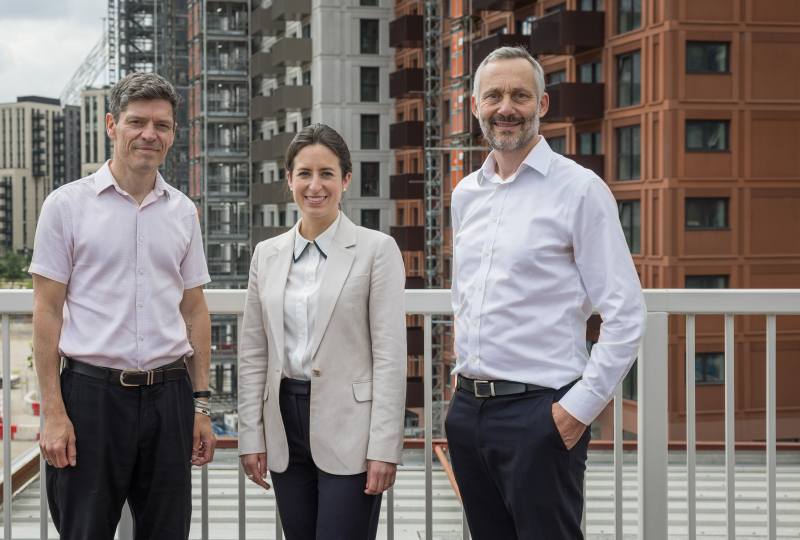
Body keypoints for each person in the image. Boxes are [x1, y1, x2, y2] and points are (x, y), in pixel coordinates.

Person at [445, 46, 647, 540]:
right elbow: (466, 299)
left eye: (520, 94)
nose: (506, 107)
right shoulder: (465, 193)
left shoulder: (580, 190)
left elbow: (626, 313)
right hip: (469, 413)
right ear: (475, 106)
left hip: (541, 414)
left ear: (543, 104)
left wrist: (576, 411)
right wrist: (457, 394)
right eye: (493, 95)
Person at [30, 72, 216, 540]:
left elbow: (195, 311)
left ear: (173, 134)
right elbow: (47, 312)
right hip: (91, 399)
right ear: (111, 125)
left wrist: (201, 406)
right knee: (84, 531)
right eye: (137, 122)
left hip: (169, 396)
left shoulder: (182, 212)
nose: (149, 134)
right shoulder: (66, 206)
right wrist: (54, 411)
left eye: (162, 125)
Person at [237, 124, 407, 540]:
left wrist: (384, 447)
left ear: (345, 180)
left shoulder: (376, 250)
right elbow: (253, 351)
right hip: (283, 421)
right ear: (289, 180)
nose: (315, 186)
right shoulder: (267, 254)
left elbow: (390, 355)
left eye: (327, 173)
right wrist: (249, 436)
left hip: (351, 427)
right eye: (305, 174)